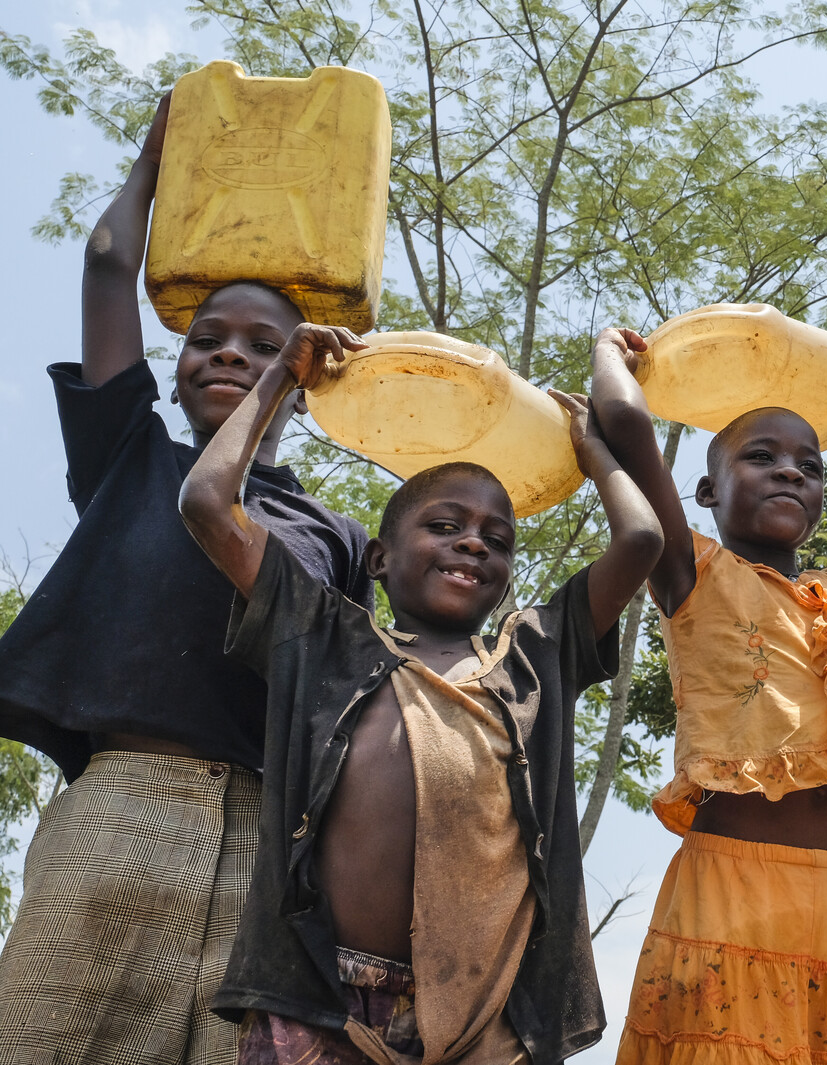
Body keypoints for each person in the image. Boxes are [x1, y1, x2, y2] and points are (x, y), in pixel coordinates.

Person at [0, 96, 374, 1065]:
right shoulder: (132, 460)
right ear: (171, 373)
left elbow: (346, 721)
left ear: (302, 380)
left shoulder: (338, 537)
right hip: (121, 811)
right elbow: (107, 264)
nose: (230, 355)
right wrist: (153, 164)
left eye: (263, 348)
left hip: (264, 852)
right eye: (208, 339)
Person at [178, 324, 662, 1063]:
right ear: (378, 557)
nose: (474, 543)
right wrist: (281, 375)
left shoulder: (535, 652)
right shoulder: (323, 635)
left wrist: (593, 454)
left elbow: (641, 541)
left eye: (497, 540)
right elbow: (209, 503)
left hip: (487, 1017)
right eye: (445, 525)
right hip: (318, 1000)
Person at [589, 324, 827, 1064]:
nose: (789, 472)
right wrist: (608, 354)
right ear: (708, 489)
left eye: (808, 466)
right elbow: (623, 421)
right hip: (730, 899)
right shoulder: (692, 570)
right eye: (761, 457)